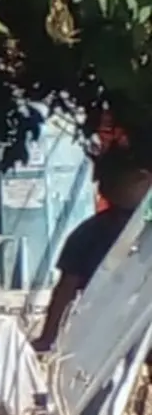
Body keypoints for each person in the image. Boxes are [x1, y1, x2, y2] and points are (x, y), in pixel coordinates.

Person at [35, 142, 152, 352]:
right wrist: (48, 337)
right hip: (103, 343)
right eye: (103, 182)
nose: (104, 189)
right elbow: (65, 290)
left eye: (114, 181)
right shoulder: (89, 234)